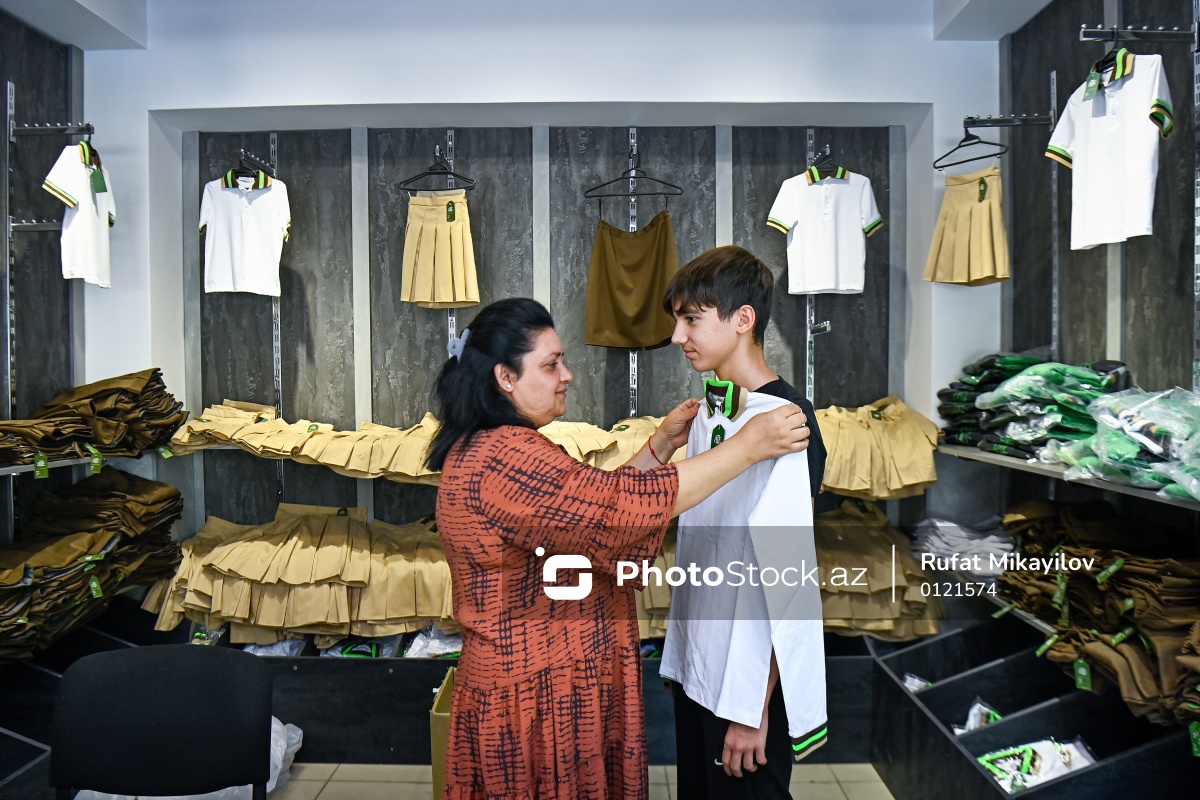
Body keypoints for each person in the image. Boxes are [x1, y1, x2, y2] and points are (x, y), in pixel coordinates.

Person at [427, 297, 812, 800]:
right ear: (505, 378)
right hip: (537, 695)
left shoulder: (493, 446)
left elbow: (582, 514)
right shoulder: (504, 457)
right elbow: (613, 510)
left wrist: (659, 448)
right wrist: (746, 446)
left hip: (548, 682)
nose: (567, 375)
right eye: (551, 365)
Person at [659, 245, 829, 800]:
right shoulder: (711, 409)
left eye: (691, 320)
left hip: (748, 687)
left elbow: (789, 579)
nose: (678, 336)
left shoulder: (786, 424)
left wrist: (755, 706)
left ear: (743, 319)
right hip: (702, 671)